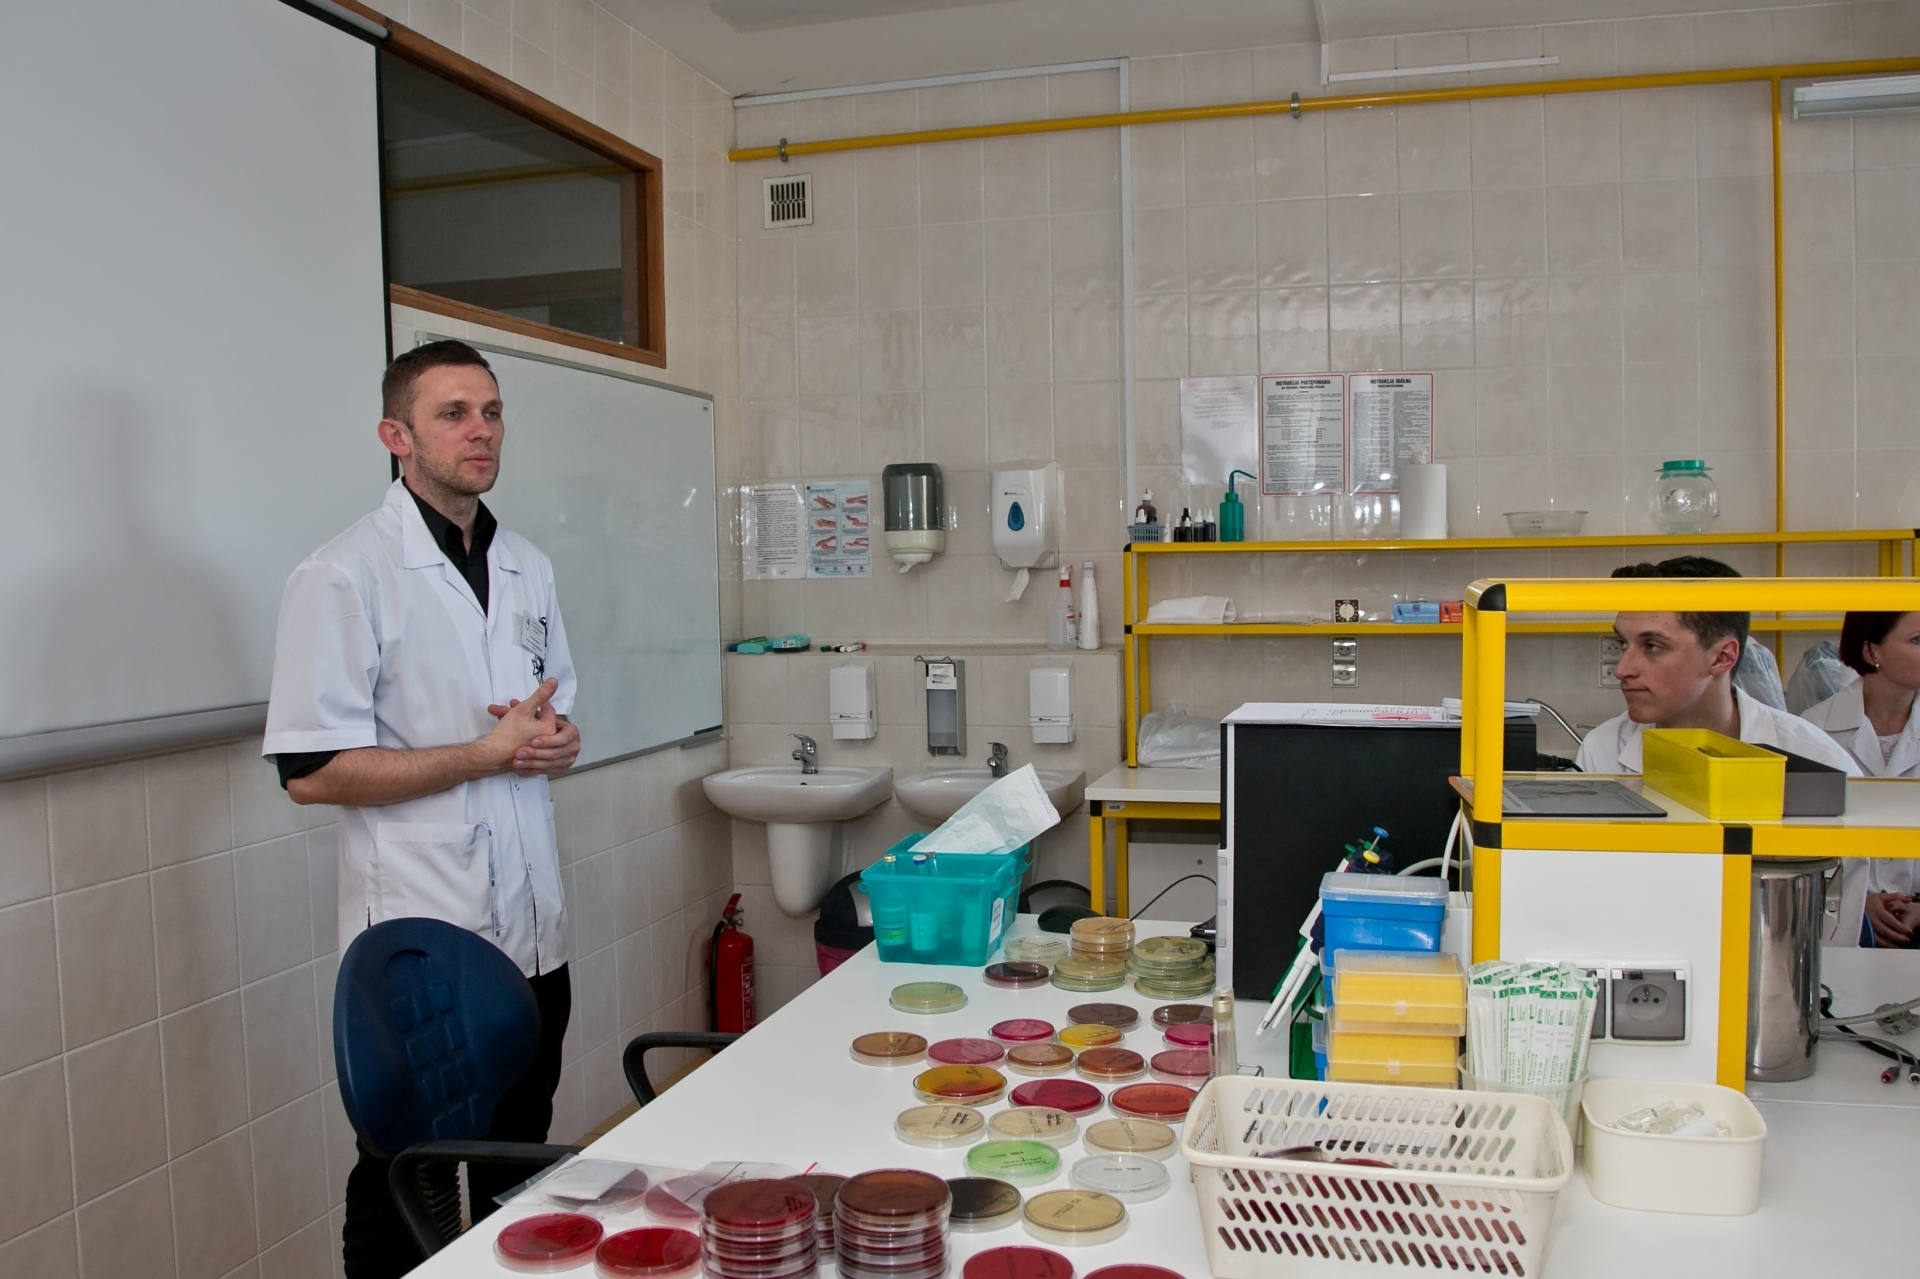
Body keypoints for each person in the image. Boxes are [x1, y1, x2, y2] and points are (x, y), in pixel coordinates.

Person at [263, 340, 581, 1278]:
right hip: (425, 941)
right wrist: (483, 755)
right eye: (453, 413)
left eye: (491, 411)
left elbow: (552, 714)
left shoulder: (527, 565)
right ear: (395, 436)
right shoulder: (343, 574)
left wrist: (557, 743)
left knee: (519, 1163)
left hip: (533, 935)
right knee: (412, 1181)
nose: (481, 430)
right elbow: (310, 770)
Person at [1573, 557, 1866, 942]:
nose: (1622, 668)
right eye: (1622, 644)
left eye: (1653, 646)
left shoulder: (1818, 763)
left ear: (1722, 657)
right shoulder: (1603, 751)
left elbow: (1835, 932)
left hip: (1772, 970)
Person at [1800, 612, 1920, 947]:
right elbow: (1802, 843)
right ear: (1870, 651)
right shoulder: (1812, 730)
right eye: (1917, 640)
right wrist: (1859, 901)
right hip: (1838, 920)